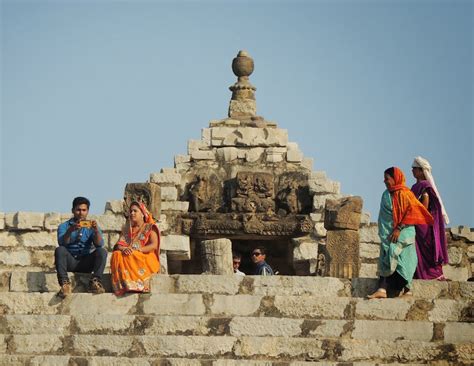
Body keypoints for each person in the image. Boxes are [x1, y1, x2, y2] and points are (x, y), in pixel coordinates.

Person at [368, 167, 433, 299]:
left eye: (387, 178)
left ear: (395, 178)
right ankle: (382, 290)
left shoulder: (406, 194)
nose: (385, 181)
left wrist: (399, 228)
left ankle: (407, 290)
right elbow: (385, 217)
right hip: (388, 233)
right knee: (386, 256)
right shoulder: (386, 194)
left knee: (404, 258)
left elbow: (413, 212)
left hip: (405, 231)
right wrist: (391, 230)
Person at [55, 196, 107, 298]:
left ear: (87, 211)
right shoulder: (64, 226)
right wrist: (71, 230)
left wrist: (95, 230)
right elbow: (62, 243)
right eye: (78, 210)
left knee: (102, 251)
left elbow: (99, 244)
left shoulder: (92, 226)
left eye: (84, 210)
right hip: (70, 262)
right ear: (73, 210)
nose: (81, 213)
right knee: (60, 250)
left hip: (85, 262)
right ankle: (65, 284)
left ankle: (95, 282)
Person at [411, 156, 450, 280]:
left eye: (415, 169)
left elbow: (425, 203)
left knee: (427, 251)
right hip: (416, 222)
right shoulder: (415, 186)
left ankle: (433, 275)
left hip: (422, 224)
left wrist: (417, 216)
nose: (412, 171)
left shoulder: (424, 185)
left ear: (421, 171)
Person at [111, 201, 160, 296]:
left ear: (142, 213)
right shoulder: (127, 229)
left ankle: (138, 285)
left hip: (145, 256)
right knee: (116, 254)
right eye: (131, 211)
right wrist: (123, 249)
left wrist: (138, 250)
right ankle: (124, 285)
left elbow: (154, 245)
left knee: (131, 255)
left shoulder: (150, 227)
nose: (132, 213)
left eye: (135, 211)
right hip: (131, 254)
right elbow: (119, 244)